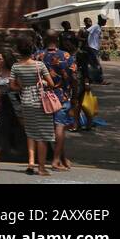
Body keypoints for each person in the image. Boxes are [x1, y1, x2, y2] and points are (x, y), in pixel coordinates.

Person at [11, 37, 55, 176]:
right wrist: (42, 81)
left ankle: (31, 162)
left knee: (30, 132)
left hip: (26, 100)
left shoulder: (15, 66)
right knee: (42, 134)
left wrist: (22, 86)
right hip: (40, 102)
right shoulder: (39, 65)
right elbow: (51, 83)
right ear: (31, 50)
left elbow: (12, 86)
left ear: (19, 51)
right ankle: (41, 167)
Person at [36, 32, 77, 169]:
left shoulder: (38, 56)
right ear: (57, 40)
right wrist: (75, 96)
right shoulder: (66, 56)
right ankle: (56, 159)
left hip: (42, 97)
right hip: (61, 96)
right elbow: (73, 78)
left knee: (49, 129)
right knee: (59, 127)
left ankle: (62, 158)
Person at [0, 49, 27, 165]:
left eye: (0, 59)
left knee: (19, 130)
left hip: (15, 104)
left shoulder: (14, 72)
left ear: (6, 60)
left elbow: (21, 87)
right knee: (2, 129)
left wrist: (11, 90)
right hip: (4, 104)